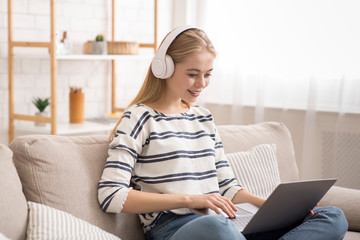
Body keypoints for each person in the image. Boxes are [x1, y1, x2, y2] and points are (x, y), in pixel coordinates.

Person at [98, 26, 348, 240]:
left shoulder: (203, 118)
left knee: (333, 216)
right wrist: (190, 200)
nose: (202, 84)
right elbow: (111, 195)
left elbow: (229, 189)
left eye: (207, 75)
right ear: (164, 68)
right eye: (192, 74)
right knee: (217, 226)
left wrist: (273, 208)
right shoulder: (139, 117)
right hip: (175, 226)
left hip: (226, 222)